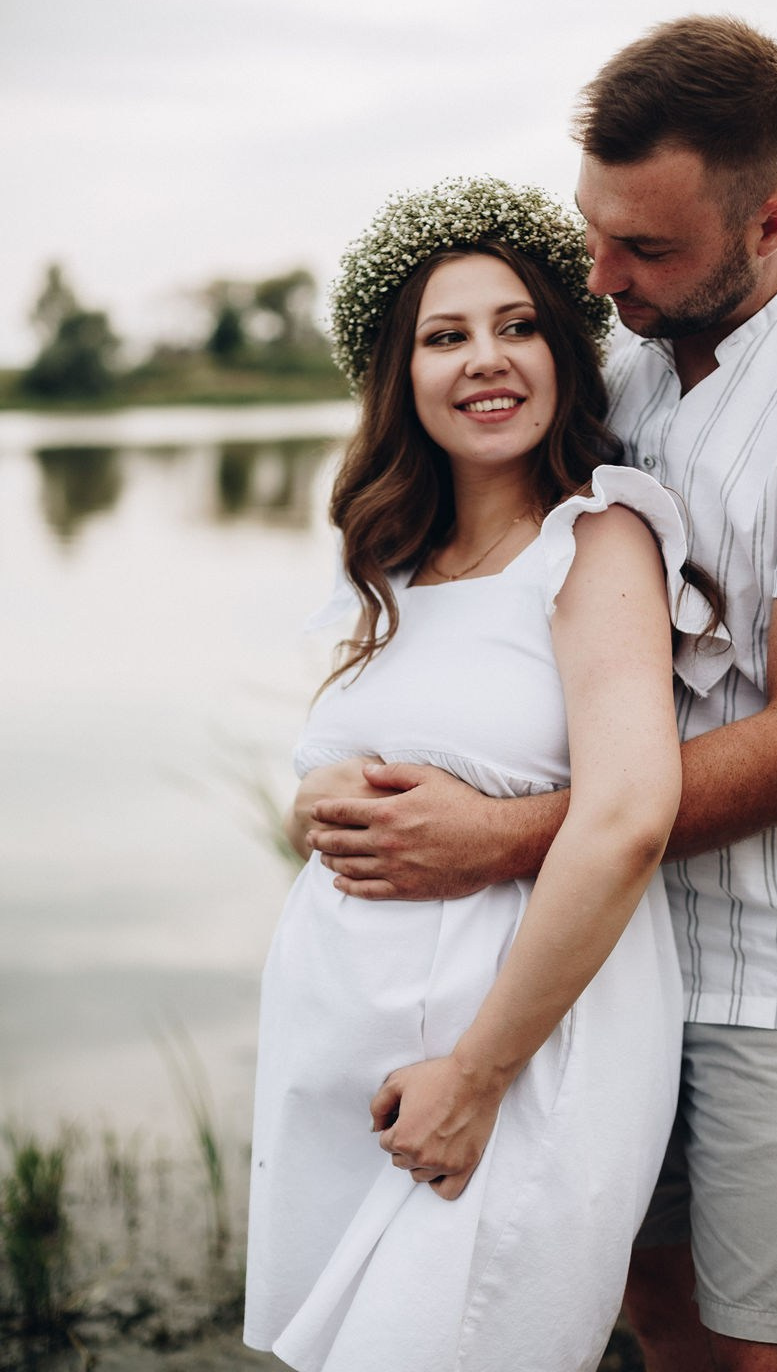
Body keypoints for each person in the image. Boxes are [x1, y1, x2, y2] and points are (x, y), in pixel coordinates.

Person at [298, 19, 777, 1371]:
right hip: (611, 954)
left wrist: (495, 841)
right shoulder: (637, 360)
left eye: (644, 248)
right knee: (651, 1317)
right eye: (596, 234)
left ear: (771, 220)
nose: (599, 276)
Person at [243, 176, 730, 1372]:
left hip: (510, 1066)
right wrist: (321, 800)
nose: (486, 360)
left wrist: (475, 1075)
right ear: (398, 376)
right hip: (354, 1078)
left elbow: (624, 819)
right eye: (445, 336)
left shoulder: (597, 536)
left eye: (516, 326)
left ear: (565, 351)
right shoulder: (402, 557)